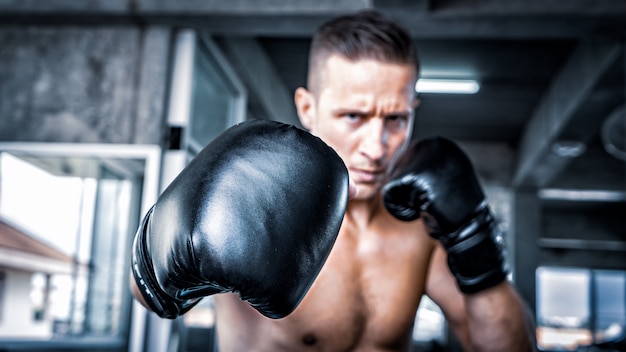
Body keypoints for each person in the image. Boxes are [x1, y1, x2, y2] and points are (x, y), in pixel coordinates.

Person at [131, 10, 536, 351]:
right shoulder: (264, 209)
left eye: (396, 119)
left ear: (414, 109)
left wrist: (475, 240)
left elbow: (506, 346)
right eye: (353, 117)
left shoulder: (419, 231)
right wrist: (159, 254)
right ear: (308, 108)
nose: (377, 147)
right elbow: (147, 296)